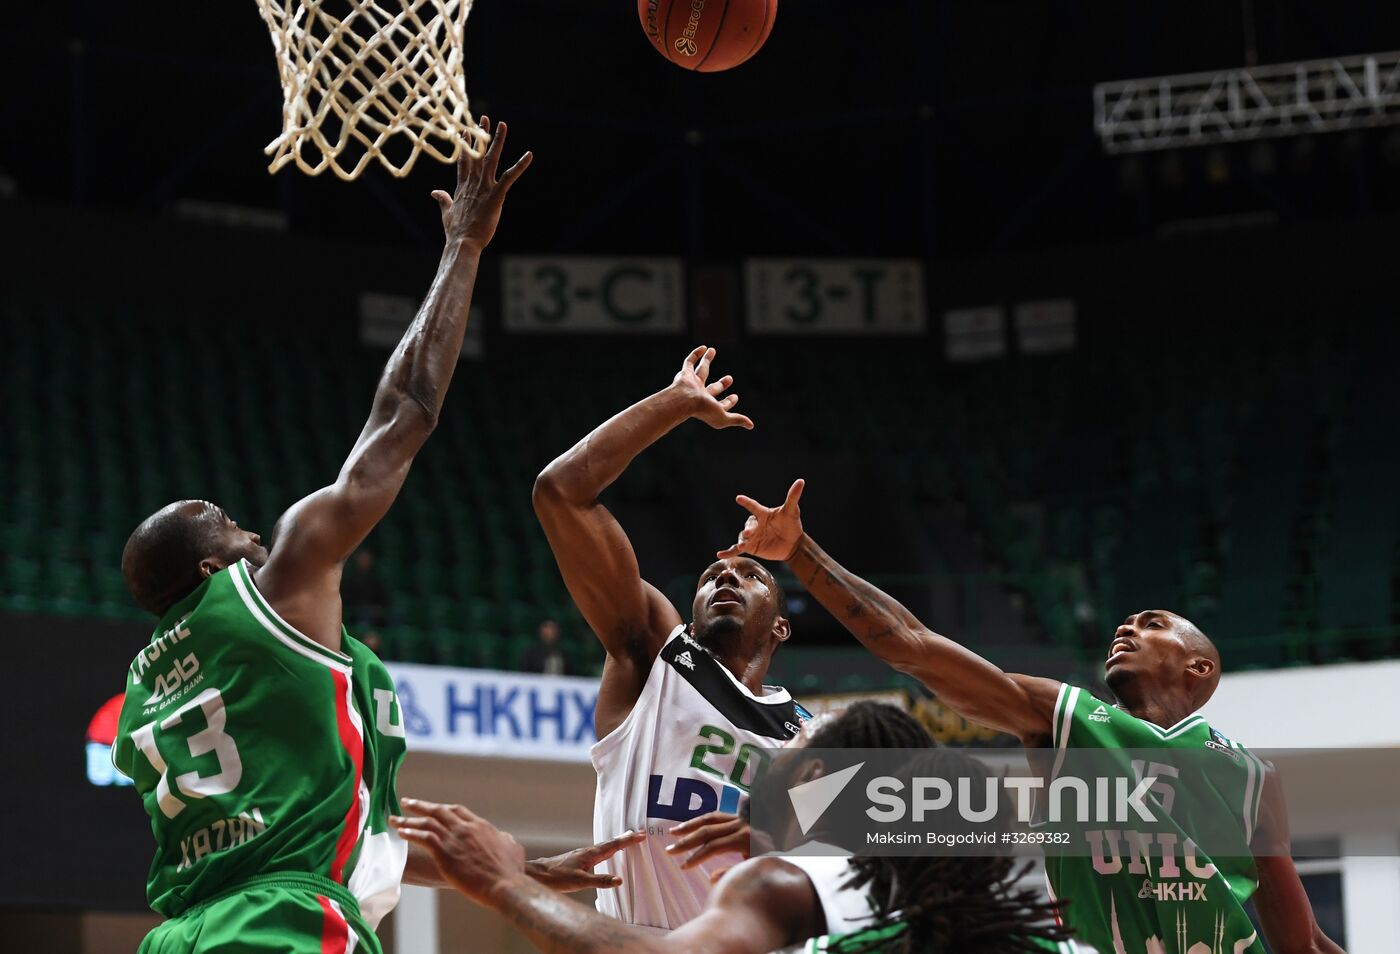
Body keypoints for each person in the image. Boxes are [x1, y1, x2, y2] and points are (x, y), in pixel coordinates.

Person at [109, 123, 631, 953]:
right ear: (211, 568)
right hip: (280, 923)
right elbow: (403, 414)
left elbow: (339, 832)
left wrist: (519, 872)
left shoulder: (146, 686)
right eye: (233, 528)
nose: (253, 533)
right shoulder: (271, 592)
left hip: (183, 934)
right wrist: (463, 247)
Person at [716, 478, 1345, 954]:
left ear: (1200, 668)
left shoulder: (1253, 777)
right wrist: (800, 552)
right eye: (1125, 623)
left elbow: (1303, 943)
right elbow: (910, 645)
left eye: (1152, 625)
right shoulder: (1067, 718)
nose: (1127, 626)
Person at [389, 701, 1095, 953]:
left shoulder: (788, 882)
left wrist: (504, 882)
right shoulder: (999, 901)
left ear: (817, 784)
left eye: (777, 762)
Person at [531, 346, 811, 931]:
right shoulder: (656, 658)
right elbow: (561, 493)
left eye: (752, 575)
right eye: (712, 577)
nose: (727, 576)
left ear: (781, 625)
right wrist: (676, 404)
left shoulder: (807, 735)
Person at [342, 549, 391, 635]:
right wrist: (365, 608)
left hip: (376, 613)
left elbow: (384, 598)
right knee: (364, 618)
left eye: (367, 559)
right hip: (358, 613)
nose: (365, 562)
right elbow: (348, 599)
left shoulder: (376, 578)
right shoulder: (350, 579)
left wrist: (379, 607)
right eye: (362, 559)